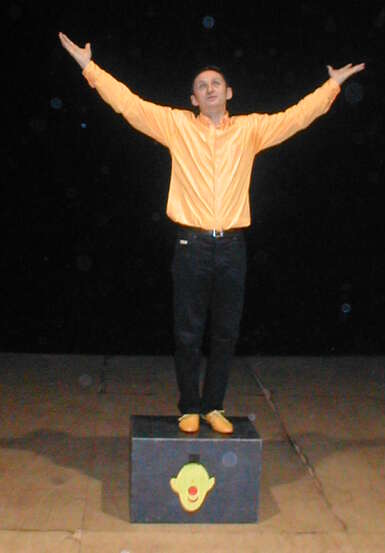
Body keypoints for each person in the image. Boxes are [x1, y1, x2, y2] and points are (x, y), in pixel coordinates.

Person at [58, 32, 365, 434]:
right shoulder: (176, 126)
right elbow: (129, 104)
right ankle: (189, 406)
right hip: (191, 245)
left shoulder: (250, 130)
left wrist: (332, 85)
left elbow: (296, 117)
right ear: (193, 99)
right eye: (201, 86)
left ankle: (213, 406)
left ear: (229, 92)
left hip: (232, 247)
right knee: (187, 332)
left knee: (225, 333)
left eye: (215, 83)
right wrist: (88, 65)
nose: (209, 89)